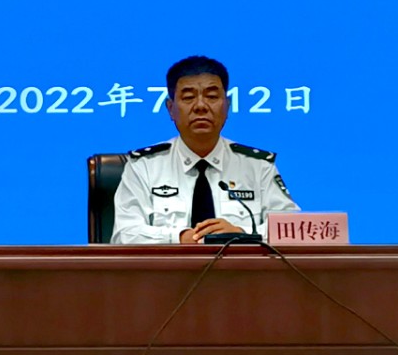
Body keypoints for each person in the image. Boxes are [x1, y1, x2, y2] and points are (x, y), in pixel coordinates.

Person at [111, 55, 298, 245]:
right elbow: (124, 235)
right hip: (169, 265)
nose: (200, 106)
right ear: (170, 108)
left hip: (239, 265)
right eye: (188, 97)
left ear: (227, 106)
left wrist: (241, 234)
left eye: (212, 97)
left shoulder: (258, 167)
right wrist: (179, 238)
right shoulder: (143, 166)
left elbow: (292, 230)